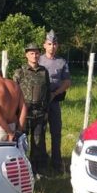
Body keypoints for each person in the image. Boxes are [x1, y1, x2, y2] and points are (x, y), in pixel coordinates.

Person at [38, 30, 72, 173]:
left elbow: (67, 81)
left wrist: (55, 93)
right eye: (49, 44)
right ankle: (42, 162)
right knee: (40, 132)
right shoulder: (38, 60)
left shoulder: (62, 62)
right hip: (39, 102)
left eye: (55, 44)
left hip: (54, 101)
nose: (52, 47)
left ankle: (57, 163)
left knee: (56, 132)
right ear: (44, 45)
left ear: (58, 46)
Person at [14, 43, 51, 173]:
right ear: (26, 55)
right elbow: (14, 92)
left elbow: (47, 92)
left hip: (39, 113)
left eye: (36, 53)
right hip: (24, 114)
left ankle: (36, 170)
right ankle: (21, 170)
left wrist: (46, 111)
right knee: (21, 142)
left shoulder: (44, 72)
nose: (34, 56)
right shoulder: (20, 72)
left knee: (38, 142)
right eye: (31, 53)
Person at [0, 63, 27, 143]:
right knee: (11, 155)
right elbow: (23, 108)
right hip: (13, 126)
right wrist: (19, 130)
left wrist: (9, 133)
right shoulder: (15, 85)